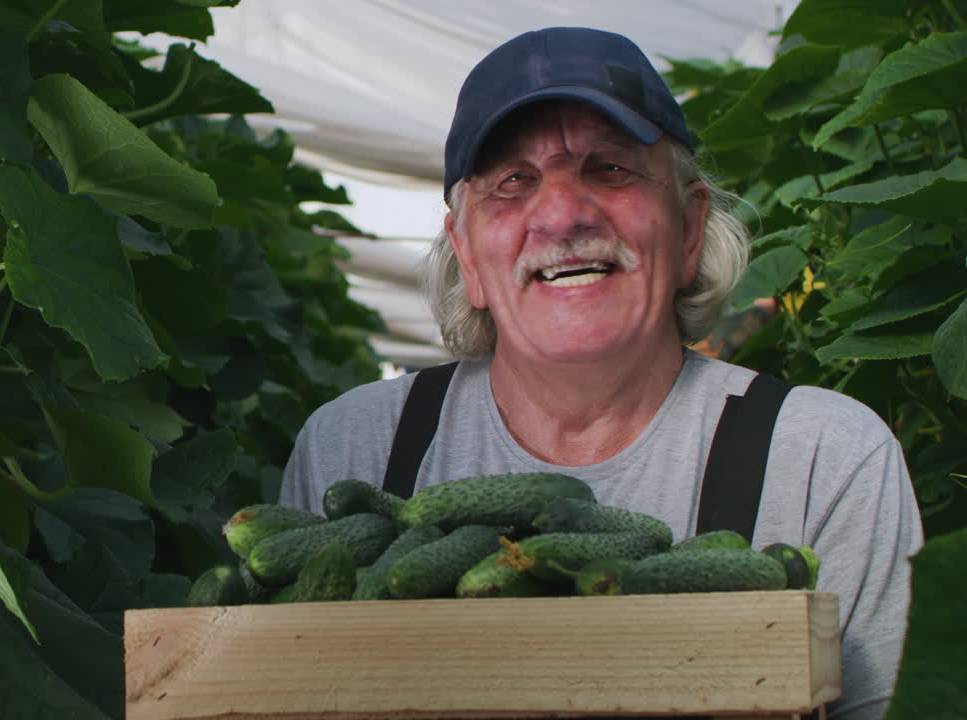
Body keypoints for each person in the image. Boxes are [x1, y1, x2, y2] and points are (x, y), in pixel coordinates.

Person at [279, 27, 923, 720]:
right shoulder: (357, 449)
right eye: (513, 181)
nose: (561, 214)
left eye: (610, 169)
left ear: (689, 228)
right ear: (466, 255)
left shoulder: (823, 460)